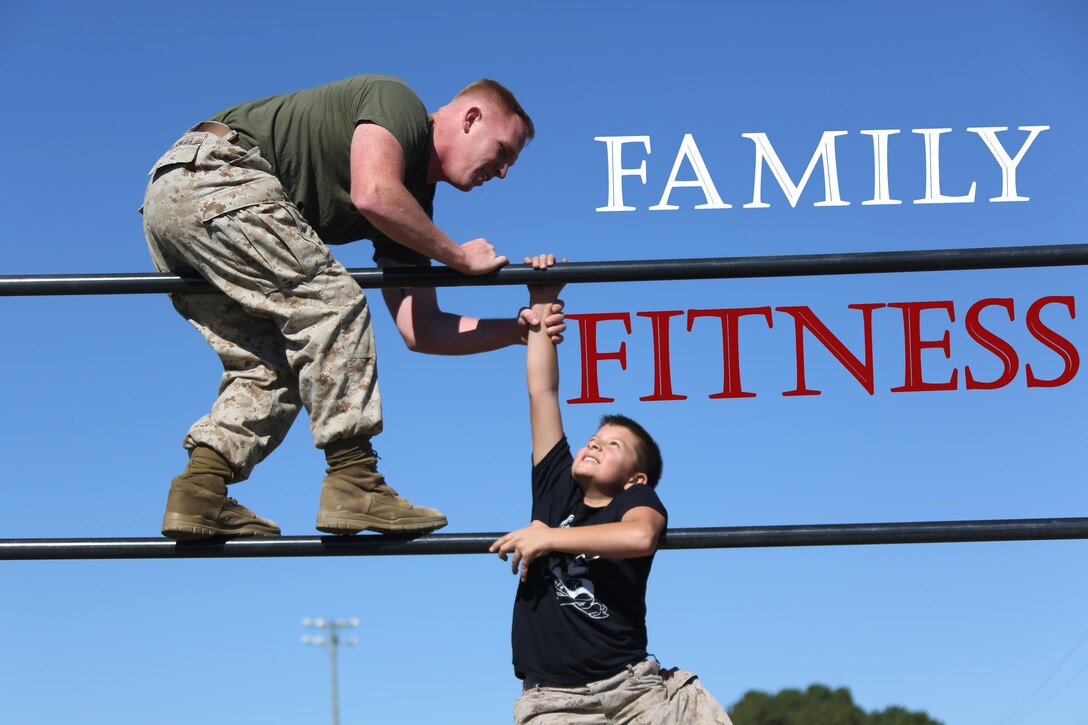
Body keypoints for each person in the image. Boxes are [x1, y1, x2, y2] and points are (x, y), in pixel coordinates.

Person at [141, 75, 563, 540]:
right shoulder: (399, 105)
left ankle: (201, 489)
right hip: (215, 177)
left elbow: (419, 329)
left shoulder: (411, 208)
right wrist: (460, 257)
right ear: (470, 118)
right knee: (334, 302)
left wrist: (516, 331)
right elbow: (373, 193)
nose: (503, 172)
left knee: (273, 364)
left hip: (183, 207)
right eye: (503, 151)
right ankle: (353, 480)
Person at [489, 256, 732, 724]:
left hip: (632, 692)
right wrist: (541, 302)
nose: (596, 445)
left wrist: (547, 538)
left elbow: (640, 537)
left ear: (635, 477)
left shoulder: (635, 501)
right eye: (594, 439)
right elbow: (543, 391)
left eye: (613, 445)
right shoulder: (556, 486)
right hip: (554, 702)